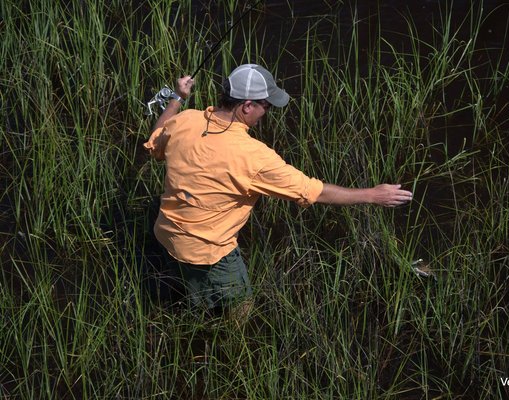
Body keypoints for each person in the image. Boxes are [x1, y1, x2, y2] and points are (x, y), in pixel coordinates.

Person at [144, 64, 413, 320]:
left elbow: (154, 139)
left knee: (191, 291)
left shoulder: (185, 120)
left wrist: (177, 99)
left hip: (166, 234)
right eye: (266, 106)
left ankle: (192, 304)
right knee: (241, 306)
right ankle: (230, 346)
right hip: (209, 251)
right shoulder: (253, 156)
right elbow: (312, 192)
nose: (267, 112)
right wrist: (373, 195)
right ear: (247, 106)